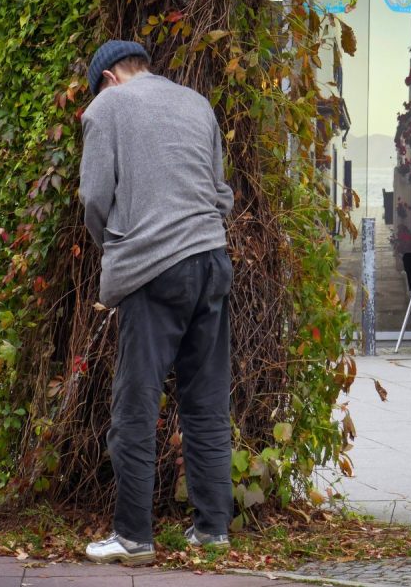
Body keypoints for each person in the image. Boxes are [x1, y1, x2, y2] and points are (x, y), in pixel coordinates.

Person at [79, 40, 235, 566]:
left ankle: (133, 538)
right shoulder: (196, 103)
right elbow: (220, 193)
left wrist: (116, 248)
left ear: (107, 78)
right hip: (212, 262)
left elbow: (94, 197)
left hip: (153, 270)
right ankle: (212, 530)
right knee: (207, 403)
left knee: (136, 406)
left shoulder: (108, 105)